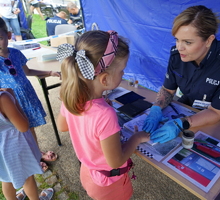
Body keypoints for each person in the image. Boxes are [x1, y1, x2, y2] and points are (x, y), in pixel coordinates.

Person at [56, 30, 150, 200]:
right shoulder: (105, 114)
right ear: (104, 79)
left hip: (88, 172)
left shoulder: (70, 96)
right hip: (110, 184)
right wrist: (135, 138)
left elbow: (63, 126)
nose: (123, 75)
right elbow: (115, 161)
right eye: (122, 71)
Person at [143, 5, 220, 144]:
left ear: (209, 40)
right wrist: (156, 108)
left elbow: (216, 112)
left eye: (187, 42)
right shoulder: (177, 54)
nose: (180, 47)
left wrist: (182, 123)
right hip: (189, 104)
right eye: (177, 39)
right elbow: (168, 89)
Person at [0, 17, 60, 171]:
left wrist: (50, 72)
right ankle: (31, 159)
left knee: (31, 128)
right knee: (20, 132)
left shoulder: (16, 53)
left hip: (27, 97)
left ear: (8, 35)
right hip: (12, 104)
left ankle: (35, 154)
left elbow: (28, 71)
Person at [0, 88, 54, 200]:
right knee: (28, 178)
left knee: (6, 179)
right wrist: (13, 98)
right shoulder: (3, 98)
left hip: (1, 154)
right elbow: (23, 126)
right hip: (14, 147)